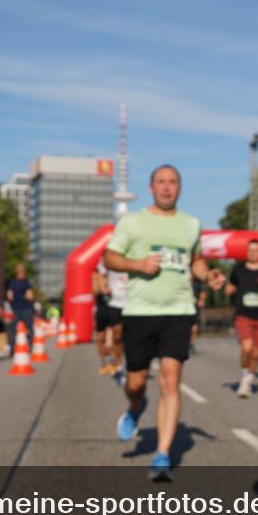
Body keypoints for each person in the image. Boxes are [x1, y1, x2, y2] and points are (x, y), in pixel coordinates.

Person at [103, 164, 225, 481]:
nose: (167, 187)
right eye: (161, 182)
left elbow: (195, 260)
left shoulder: (191, 224)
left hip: (178, 311)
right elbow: (110, 257)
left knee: (171, 382)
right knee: (136, 381)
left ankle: (161, 455)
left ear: (180, 189)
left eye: (173, 182)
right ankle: (136, 405)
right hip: (140, 313)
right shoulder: (133, 222)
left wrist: (207, 274)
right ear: (151, 187)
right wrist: (137, 264)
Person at [225, 239, 258, 398]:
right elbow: (231, 286)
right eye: (250, 250)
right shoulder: (238, 270)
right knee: (247, 348)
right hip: (243, 314)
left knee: (255, 353)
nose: (253, 253)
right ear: (247, 252)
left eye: (256, 250)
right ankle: (244, 376)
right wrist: (229, 289)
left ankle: (247, 381)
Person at [93, 258, 128, 381]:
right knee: (101, 337)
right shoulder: (105, 261)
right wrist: (102, 287)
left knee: (117, 335)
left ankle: (117, 364)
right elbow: (98, 278)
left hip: (123, 303)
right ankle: (105, 361)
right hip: (105, 304)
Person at [6, 264, 35, 356]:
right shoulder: (26, 283)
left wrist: (14, 301)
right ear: (24, 272)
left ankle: (12, 348)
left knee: (12, 330)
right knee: (29, 328)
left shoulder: (12, 283)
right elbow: (30, 296)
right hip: (26, 308)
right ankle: (30, 347)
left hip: (15, 309)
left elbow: (9, 296)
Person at [190, 278, 207, 355]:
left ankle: (192, 345)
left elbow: (203, 292)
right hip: (182, 307)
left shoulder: (198, 282)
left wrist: (201, 300)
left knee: (194, 328)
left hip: (194, 307)